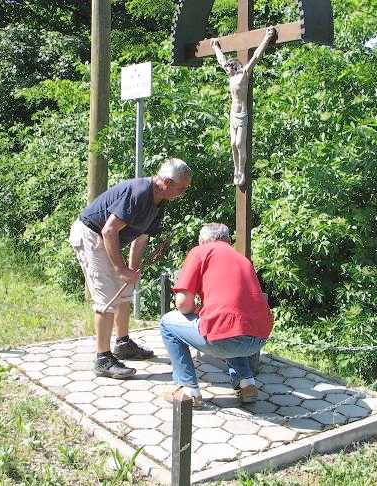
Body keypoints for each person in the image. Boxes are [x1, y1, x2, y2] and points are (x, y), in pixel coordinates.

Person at [69, 158, 192, 379]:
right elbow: (108, 231)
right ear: (166, 182)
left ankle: (123, 344)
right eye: (181, 188)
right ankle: (102, 359)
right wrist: (119, 269)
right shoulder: (139, 193)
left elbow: (141, 236)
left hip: (107, 238)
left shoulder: (159, 201)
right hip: (91, 235)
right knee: (107, 298)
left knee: (125, 292)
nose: (183, 193)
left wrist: (131, 270)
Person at [159, 223, 273, 408]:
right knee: (232, 326)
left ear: (203, 240)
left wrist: (195, 310)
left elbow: (182, 304)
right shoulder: (242, 259)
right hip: (258, 339)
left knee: (167, 323)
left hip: (224, 339)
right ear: (228, 240)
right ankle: (247, 385)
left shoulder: (200, 252)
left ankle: (188, 390)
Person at [211, 27, 276, 187]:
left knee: (240, 143)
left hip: (242, 114)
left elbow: (256, 55)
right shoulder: (231, 77)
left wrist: (267, 37)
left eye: (228, 68)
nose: (226, 70)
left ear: (234, 67)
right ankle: (236, 170)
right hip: (232, 114)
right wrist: (215, 47)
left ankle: (242, 171)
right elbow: (221, 60)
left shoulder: (244, 74)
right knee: (233, 144)